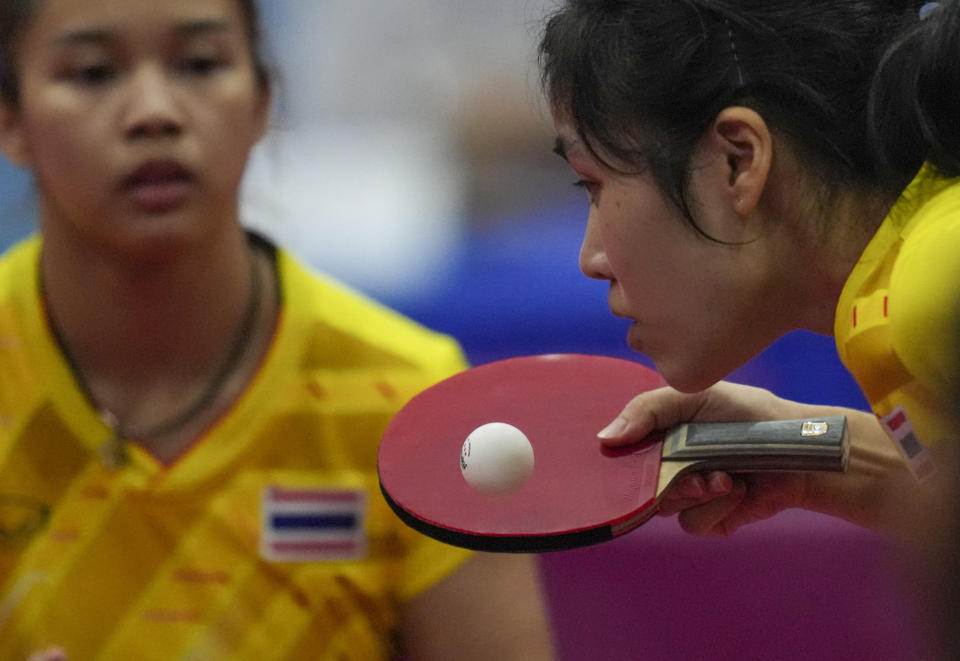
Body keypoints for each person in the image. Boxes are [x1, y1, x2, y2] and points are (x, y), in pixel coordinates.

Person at [0, 1, 556, 659]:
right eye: (92, 73)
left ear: (263, 101)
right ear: (11, 120)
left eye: (200, 63)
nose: (155, 111)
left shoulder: (410, 402)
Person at [539, 0, 960, 538]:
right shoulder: (909, 277)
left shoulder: (936, 288)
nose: (590, 260)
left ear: (737, 161)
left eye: (592, 183)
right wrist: (810, 446)